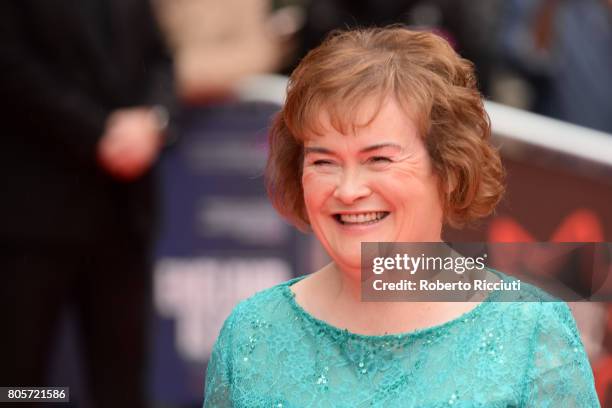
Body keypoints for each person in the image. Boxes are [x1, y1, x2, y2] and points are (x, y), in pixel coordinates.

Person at [203, 27, 599, 407]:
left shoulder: (530, 332)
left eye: (378, 159)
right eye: (324, 161)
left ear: (448, 170)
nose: (349, 189)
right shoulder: (252, 333)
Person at [0, 1, 175, 407]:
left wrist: (156, 119)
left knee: (122, 381)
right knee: (20, 385)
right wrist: (99, 133)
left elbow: (160, 57)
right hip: (33, 217)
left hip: (123, 216)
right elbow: (11, 69)